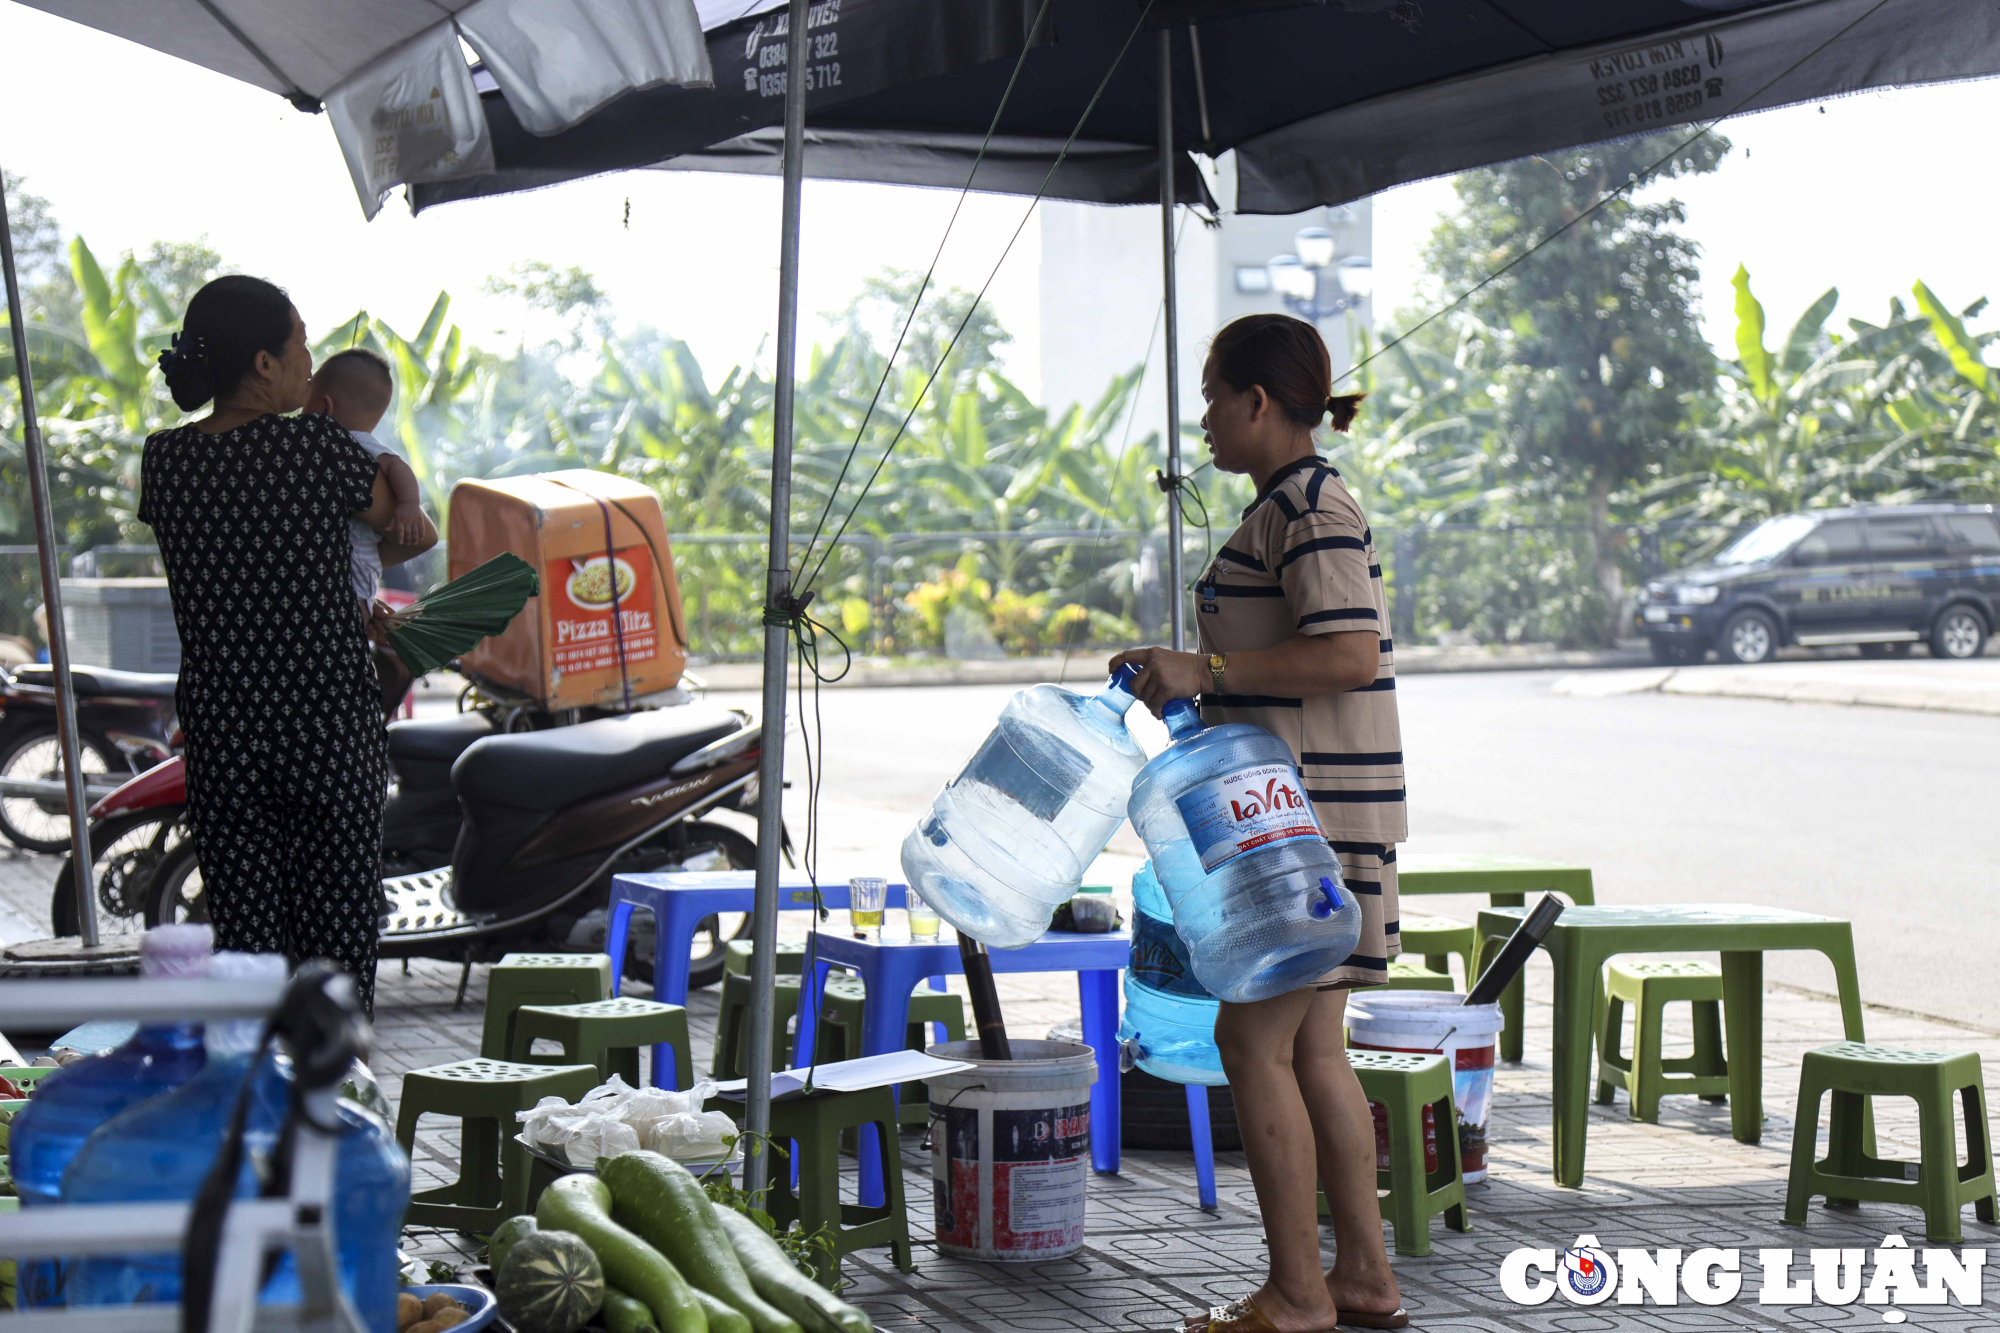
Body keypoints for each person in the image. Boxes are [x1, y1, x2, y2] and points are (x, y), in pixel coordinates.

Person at [1113, 313, 1408, 1333]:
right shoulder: (1284, 505)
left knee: (1248, 1036)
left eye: (1208, 397)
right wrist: (1187, 680)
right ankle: (1361, 1278)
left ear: (1254, 401)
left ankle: (1295, 1292)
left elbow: (1346, 654)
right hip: (1302, 815)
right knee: (1314, 1047)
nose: (1200, 419)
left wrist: (1212, 669)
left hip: (1310, 825)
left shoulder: (1312, 506)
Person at [142, 275, 437, 1015]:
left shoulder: (166, 462)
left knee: (246, 951)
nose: (310, 364)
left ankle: (256, 1108)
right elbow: (402, 533)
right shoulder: (319, 444)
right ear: (266, 364)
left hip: (224, 733)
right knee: (335, 952)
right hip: (326, 728)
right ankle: (334, 1108)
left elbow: (235, 555)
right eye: (300, 346)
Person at [302, 348, 427, 714]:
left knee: (351, 625)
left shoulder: (355, 445)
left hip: (356, 561)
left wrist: (408, 506)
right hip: (357, 561)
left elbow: (396, 464)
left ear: (324, 407)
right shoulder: (345, 447)